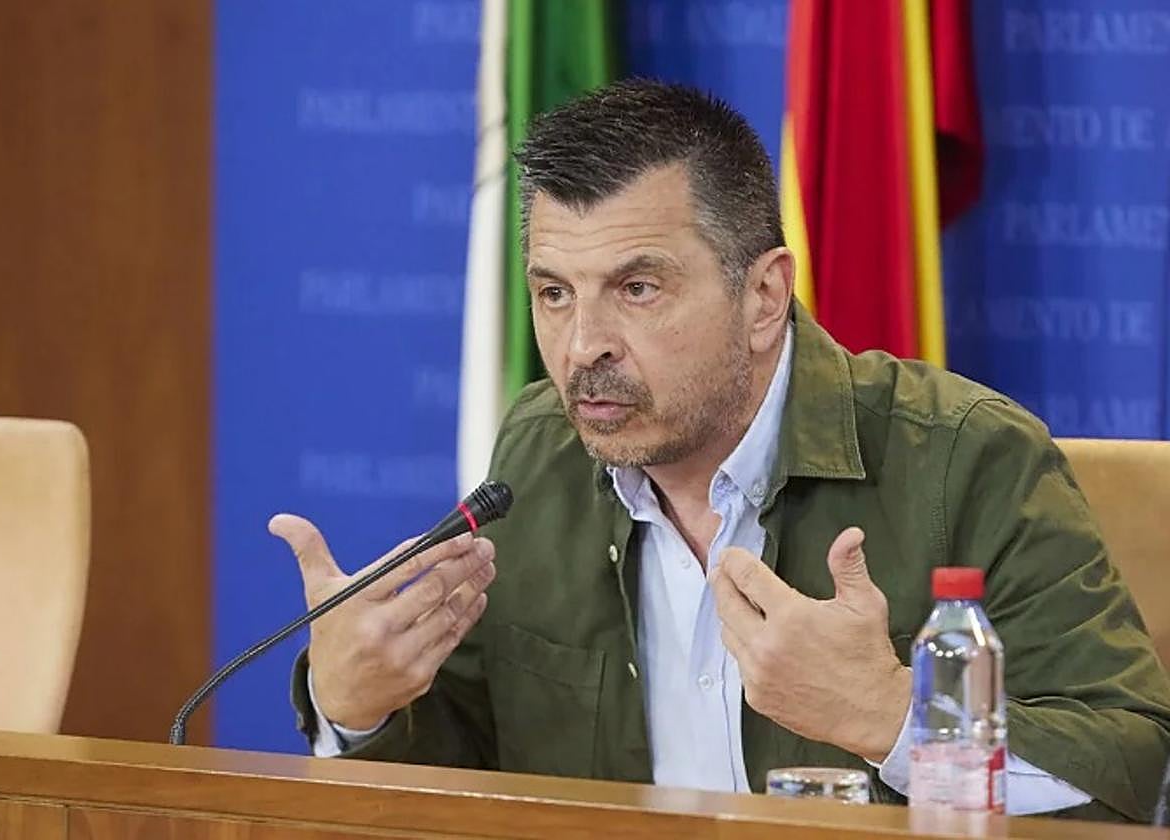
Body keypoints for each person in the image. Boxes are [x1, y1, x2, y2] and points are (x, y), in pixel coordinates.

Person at [271, 79, 1170, 823]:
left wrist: (893, 718)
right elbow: (471, 778)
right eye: (554, 293)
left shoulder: (967, 459)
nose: (582, 347)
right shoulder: (539, 453)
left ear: (764, 296)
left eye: (637, 288)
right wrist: (359, 708)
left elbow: (1137, 770)